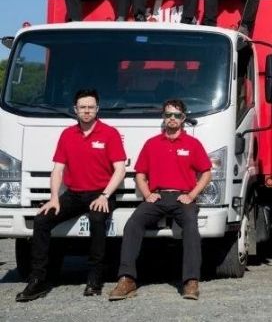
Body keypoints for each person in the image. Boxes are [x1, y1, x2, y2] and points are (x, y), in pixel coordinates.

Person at [16, 89, 127, 302]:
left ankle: (94, 278)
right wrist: (54, 198)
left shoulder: (109, 133)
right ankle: (38, 279)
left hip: (101, 194)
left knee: (97, 219)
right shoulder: (67, 135)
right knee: (41, 220)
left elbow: (120, 169)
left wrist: (105, 196)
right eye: (82, 107)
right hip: (74, 194)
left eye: (91, 107)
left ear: (97, 109)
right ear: (75, 110)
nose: (87, 111)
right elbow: (58, 169)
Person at [109, 99, 212, 301]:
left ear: (183, 118)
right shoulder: (152, 143)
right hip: (157, 196)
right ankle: (127, 279)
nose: (172, 118)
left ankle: (191, 281)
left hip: (183, 197)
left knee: (191, 227)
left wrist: (191, 195)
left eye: (176, 115)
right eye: (168, 115)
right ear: (163, 117)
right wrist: (147, 194)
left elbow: (206, 173)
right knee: (133, 224)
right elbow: (140, 174)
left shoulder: (193, 144)